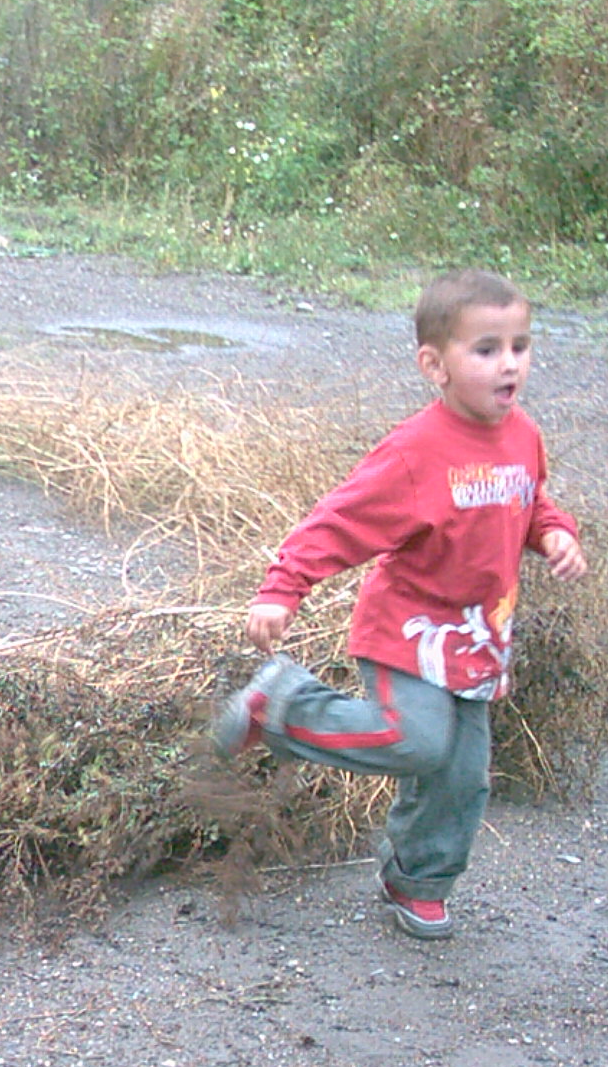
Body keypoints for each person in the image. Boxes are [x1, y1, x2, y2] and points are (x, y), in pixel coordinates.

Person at [210, 270, 587, 939]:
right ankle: (283, 708)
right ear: (434, 365)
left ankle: (415, 880)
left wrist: (554, 532)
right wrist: (282, 588)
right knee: (414, 741)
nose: (509, 364)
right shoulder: (418, 452)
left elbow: (531, 497)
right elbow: (340, 520)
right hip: (407, 630)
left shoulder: (522, 433)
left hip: (477, 641)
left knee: (461, 778)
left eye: (520, 346)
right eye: (486, 349)